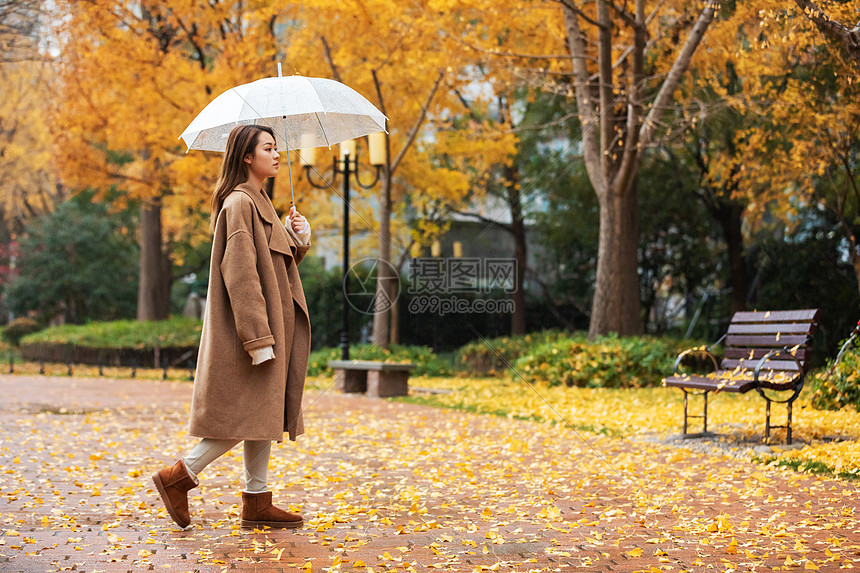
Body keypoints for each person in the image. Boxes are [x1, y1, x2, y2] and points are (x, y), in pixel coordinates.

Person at [152, 124, 312, 530]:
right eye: (268, 148)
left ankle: (256, 499)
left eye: (278, 148)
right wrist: (257, 338)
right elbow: (240, 276)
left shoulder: (259, 201)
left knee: (263, 412)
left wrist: (300, 240)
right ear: (247, 156)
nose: (277, 155)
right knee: (243, 416)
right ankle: (178, 477)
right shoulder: (240, 204)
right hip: (252, 333)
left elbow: (275, 270)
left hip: (268, 328)